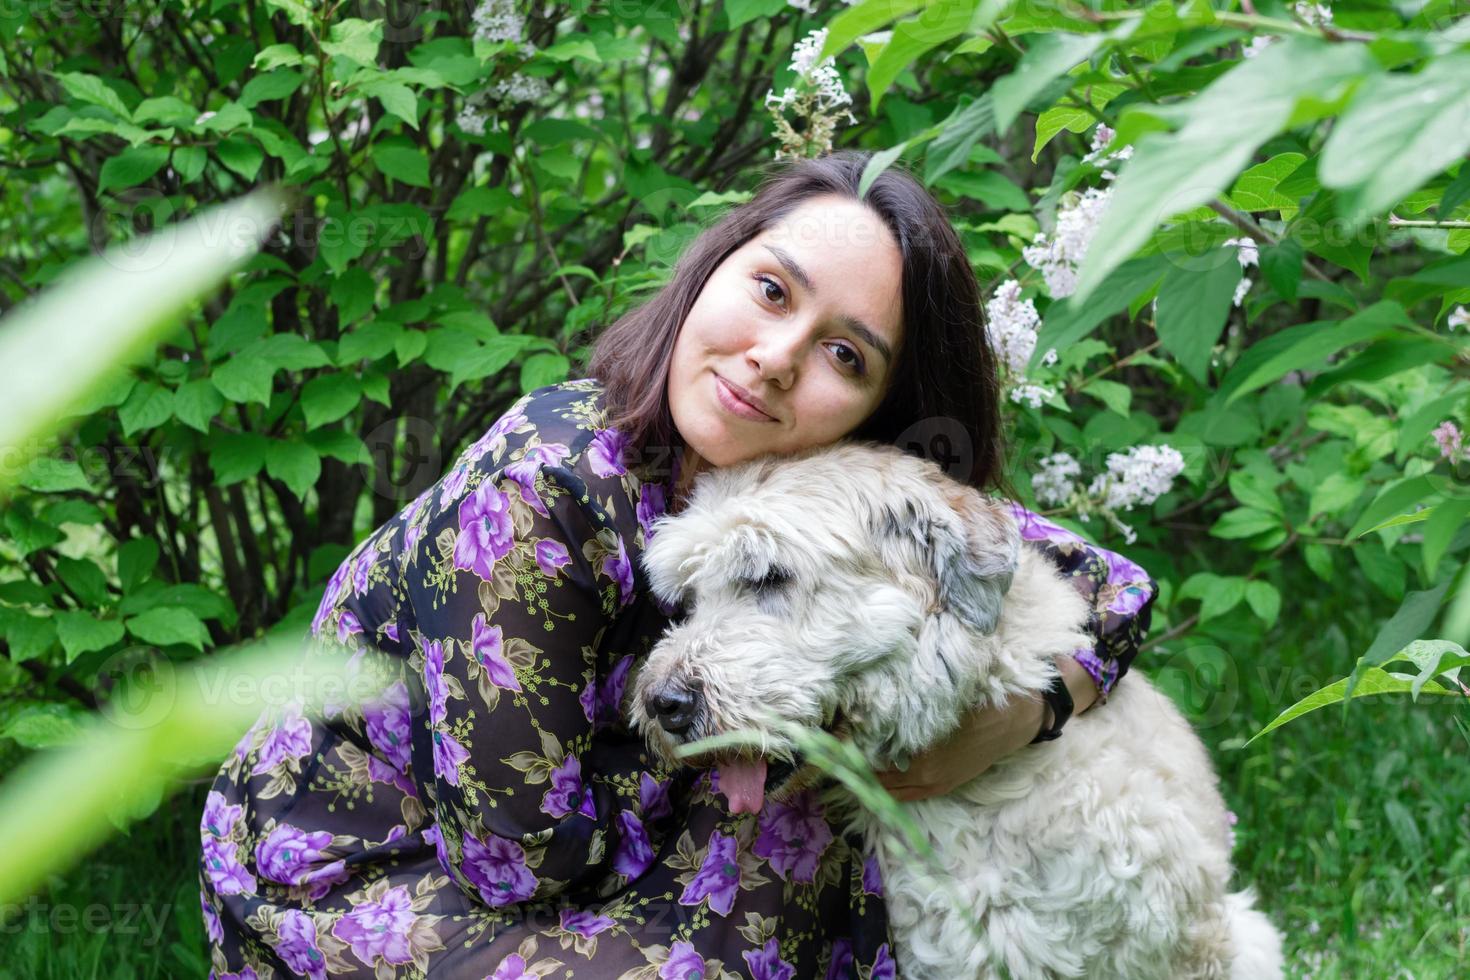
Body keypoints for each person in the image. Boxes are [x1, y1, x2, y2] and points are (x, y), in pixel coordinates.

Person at [199, 149, 1158, 979]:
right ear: (713, 269)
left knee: (818, 824)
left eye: (845, 355)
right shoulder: (543, 491)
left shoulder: (813, 478)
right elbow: (514, 856)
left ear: (876, 409)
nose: (777, 358)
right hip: (378, 863)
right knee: (794, 823)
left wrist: (1029, 713)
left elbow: (1110, 586)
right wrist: (741, 750)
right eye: (773, 291)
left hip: (609, 831)